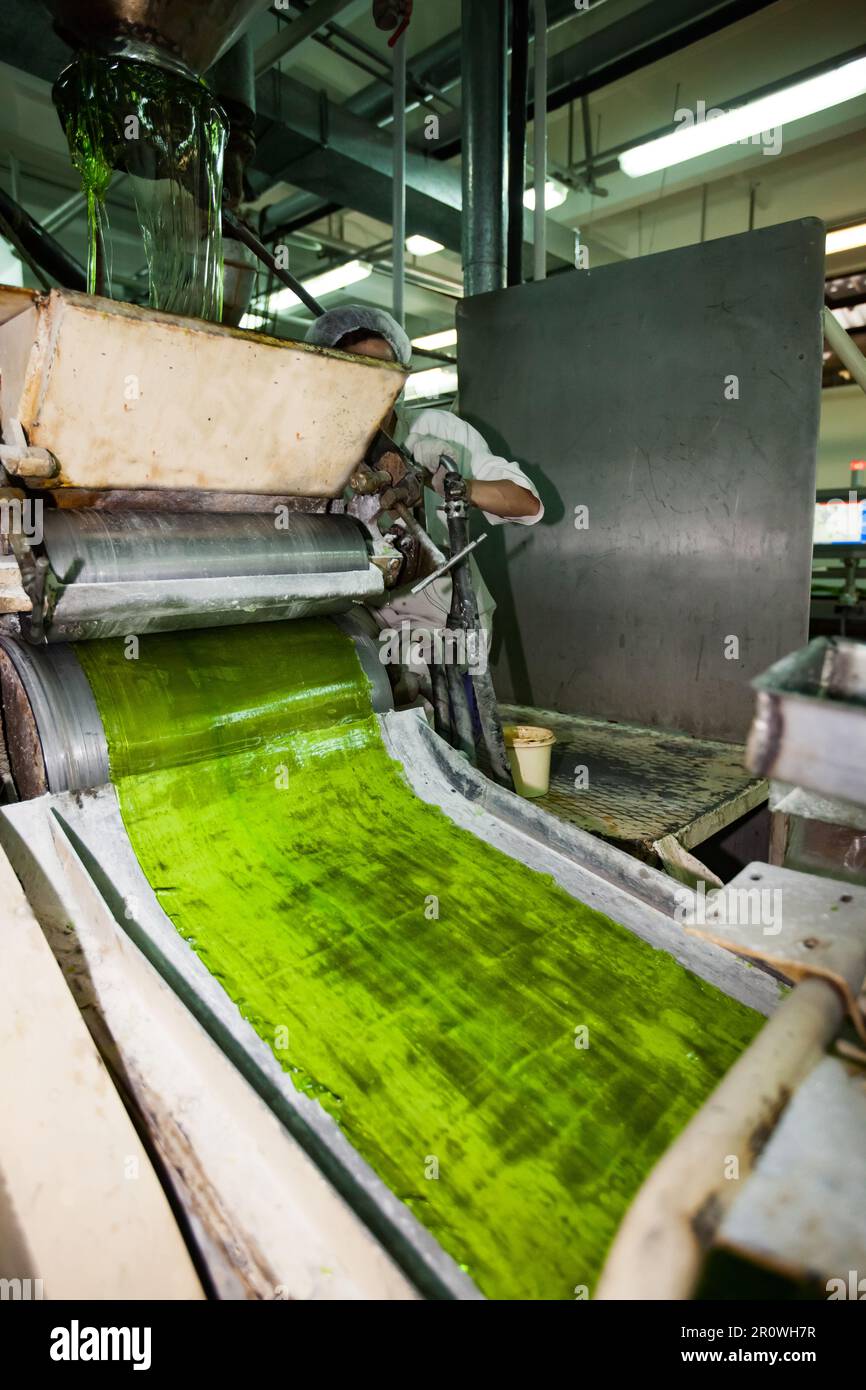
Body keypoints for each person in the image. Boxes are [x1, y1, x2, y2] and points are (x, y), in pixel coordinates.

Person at [305, 306, 543, 651]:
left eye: (386, 373)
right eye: (356, 372)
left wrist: (452, 486)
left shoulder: (435, 429)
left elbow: (527, 504)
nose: (373, 384)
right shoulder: (310, 450)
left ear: (400, 383)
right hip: (360, 612)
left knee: (443, 702)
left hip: (445, 613)